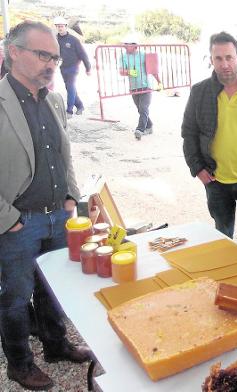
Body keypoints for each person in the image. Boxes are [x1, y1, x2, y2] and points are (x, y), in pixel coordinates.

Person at [0, 21, 92, 390]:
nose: (51, 63)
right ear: (13, 53)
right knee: (16, 297)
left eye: (54, 56)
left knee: (54, 288)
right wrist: (8, 219)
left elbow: (63, 155)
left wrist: (72, 195)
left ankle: (56, 346)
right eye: (42, 54)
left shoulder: (54, 99)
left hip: (58, 216)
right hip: (18, 222)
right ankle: (19, 364)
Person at [182, 31, 237, 260]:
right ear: (211, 60)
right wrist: (197, 168)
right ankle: (228, 285)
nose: (225, 64)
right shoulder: (200, 92)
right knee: (222, 240)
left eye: (229, 57)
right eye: (218, 58)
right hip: (216, 181)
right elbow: (188, 133)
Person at [119, 39, 162, 141]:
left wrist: (159, 82)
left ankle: (140, 129)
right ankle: (149, 126)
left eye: (127, 44)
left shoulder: (144, 56)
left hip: (146, 86)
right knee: (140, 109)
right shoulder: (123, 57)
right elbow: (121, 71)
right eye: (124, 44)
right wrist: (129, 72)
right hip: (134, 87)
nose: (124, 46)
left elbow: (153, 70)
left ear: (135, 46)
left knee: (143, 108)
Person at [54, 15, 90, 117]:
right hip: (62, 67)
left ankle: (69, 110)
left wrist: (88, 68)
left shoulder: (73, 40)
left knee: (70, 87)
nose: (60, 28)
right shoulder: (55, 40)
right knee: (69, 88)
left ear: (65, 26)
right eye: (58, 26)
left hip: (73, 67)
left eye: (61, 26)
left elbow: (83, 54)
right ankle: (80, 105)